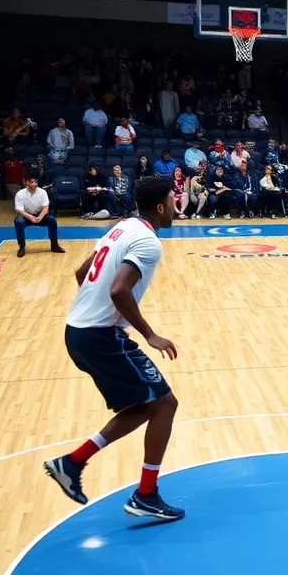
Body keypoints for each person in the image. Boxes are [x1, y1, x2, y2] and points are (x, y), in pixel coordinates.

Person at [44, 176, 185, 521]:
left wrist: (90, 307)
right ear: (160, 206)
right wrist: (149, 334)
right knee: (166, 404)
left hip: (77, 331)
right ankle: (146, 495)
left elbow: (82, 272)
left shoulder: (122, 228)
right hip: (100, 336)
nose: (176, 204)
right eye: (173, 199)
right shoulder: (149, 242)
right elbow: (119, 290)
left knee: (146, 406)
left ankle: (72, 462)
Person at [13, 173, 64, 257]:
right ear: (27, 182)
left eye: (36, 182)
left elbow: (45, 207)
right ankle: (21, 247)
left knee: (52, 221)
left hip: (39, 215)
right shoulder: (20, 194)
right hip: (26, 216)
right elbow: (20, 210)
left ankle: (54, 245)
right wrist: (30, 217)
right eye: (32, 182)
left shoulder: (42, 192)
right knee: (18, 221)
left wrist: (40, 216)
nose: (35, 184)